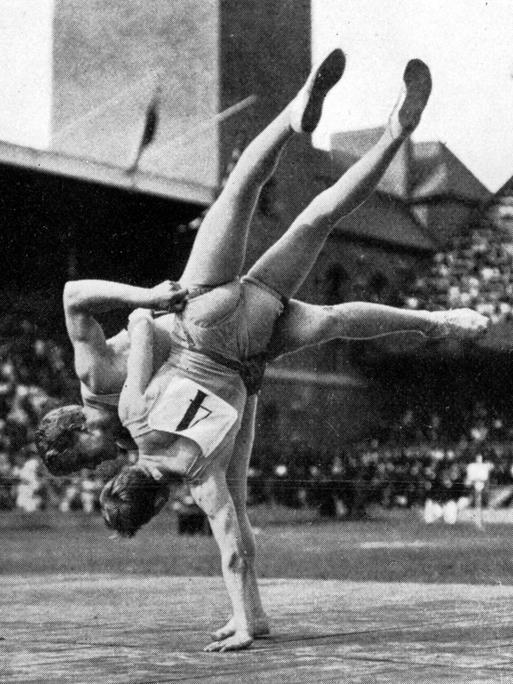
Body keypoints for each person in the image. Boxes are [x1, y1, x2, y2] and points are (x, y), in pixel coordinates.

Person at [94, 54, 487, 652]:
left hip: (256, 343)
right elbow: (143, 325)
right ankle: (294, 118)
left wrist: (249, 622)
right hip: (206, 317)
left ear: (158, 503)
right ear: (127, 473)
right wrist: (145, 323)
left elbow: (235, 547)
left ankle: (435, 316)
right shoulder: (137, 420)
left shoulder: (204, 480)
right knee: (252, 190)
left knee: (330, 307)